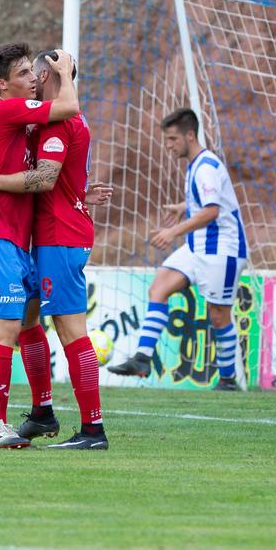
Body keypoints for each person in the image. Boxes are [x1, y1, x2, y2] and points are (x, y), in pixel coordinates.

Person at [0, 50, 113, 450]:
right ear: (3, 83)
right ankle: (23, 416)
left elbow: (45, 178)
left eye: (35, 71)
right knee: (19, 325)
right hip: (2, 234)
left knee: (47, 329)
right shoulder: (14, 114)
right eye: (24, 71)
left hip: (50, 236)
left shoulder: (55, 121)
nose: (32, 77)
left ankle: (90, 429)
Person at [108, 109, 247, 391]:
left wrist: (173, 231)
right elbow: (208, 202)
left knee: (218, 316)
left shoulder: (205, 166)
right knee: (159, 287)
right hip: (198, 246)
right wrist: (184, 207)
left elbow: (211, 211)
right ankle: (143, 358)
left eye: (172, 139)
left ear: (190, 135)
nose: (169, 145)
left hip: (222, 249)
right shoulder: (195, 164)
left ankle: (229, 380)